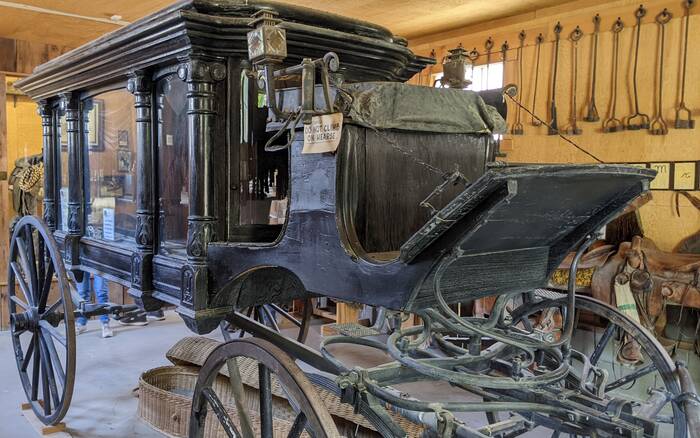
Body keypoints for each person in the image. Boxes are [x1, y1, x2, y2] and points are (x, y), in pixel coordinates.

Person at [75, 273, 113, 338]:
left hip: (100, 266)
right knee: (82, 293)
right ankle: (81, 323)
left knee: (102, 292)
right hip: (81, 266)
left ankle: (105, 323)